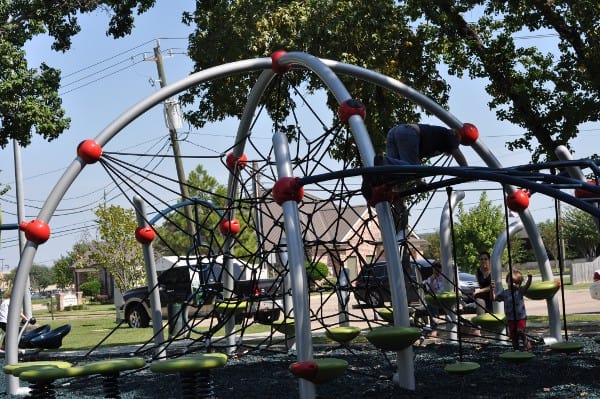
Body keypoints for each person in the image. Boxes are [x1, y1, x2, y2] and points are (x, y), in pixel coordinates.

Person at [378, 123, 468, 167]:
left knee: (394, 172)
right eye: (458, 144)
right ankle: (383, 162)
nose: (457, 146)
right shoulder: (450, 135)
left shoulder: (437, 141)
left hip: (395, 131)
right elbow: (458, 155)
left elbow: (416, 161)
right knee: (408, 168)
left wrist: (418, 181)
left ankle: (381, 168)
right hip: (409, 133)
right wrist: (467, 170)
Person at [491, 269, 533, 350]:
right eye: (511, 281)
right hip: (510, 318)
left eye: (516, 283)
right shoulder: (504, 293)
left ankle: (526, 341)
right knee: (513, 336)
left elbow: (527, 285)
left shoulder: (520, 291)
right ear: (507, 281)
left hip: (521, 317)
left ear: (520, 284)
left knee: (519, 331)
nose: (513, 284)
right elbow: (493, 298)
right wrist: (492, 289)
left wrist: (530, 278)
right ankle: (516, 349)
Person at [423, 261, 445, 337]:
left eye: (439, 267)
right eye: (435, 268)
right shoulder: (429, 279)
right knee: (431, 304)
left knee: (432, 304)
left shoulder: (444, 279)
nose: (437, 269)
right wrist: (432, 281)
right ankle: (434, 328)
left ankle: (435, 329)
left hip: (443, 300)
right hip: (434, 301)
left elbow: (442, 291)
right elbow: (431, 292)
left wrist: (435, 293)